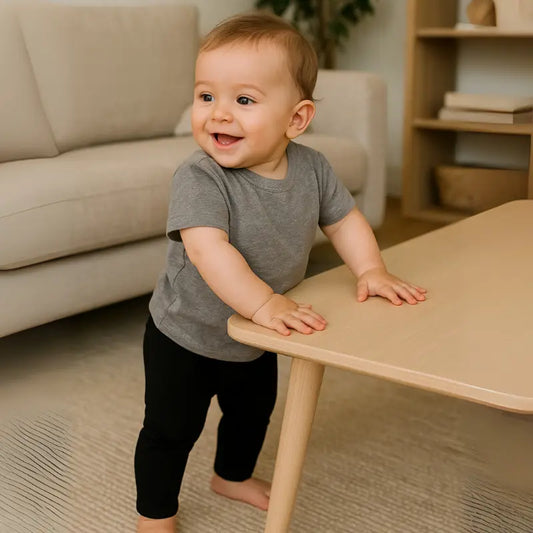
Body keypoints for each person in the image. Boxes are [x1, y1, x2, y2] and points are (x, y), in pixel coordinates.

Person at [135, 11, 426, 532]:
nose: (219, 114)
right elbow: (208, 250)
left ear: (296, 119)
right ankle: (155, 515)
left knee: (252, 415)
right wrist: (265, 303)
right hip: (186, 334)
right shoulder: (199, 177)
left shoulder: (312, 168)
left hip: (254, 336)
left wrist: (371, 269)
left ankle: (231, 476)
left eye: (244, 101)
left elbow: (344, 220)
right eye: (206, 96)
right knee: (170, 429)